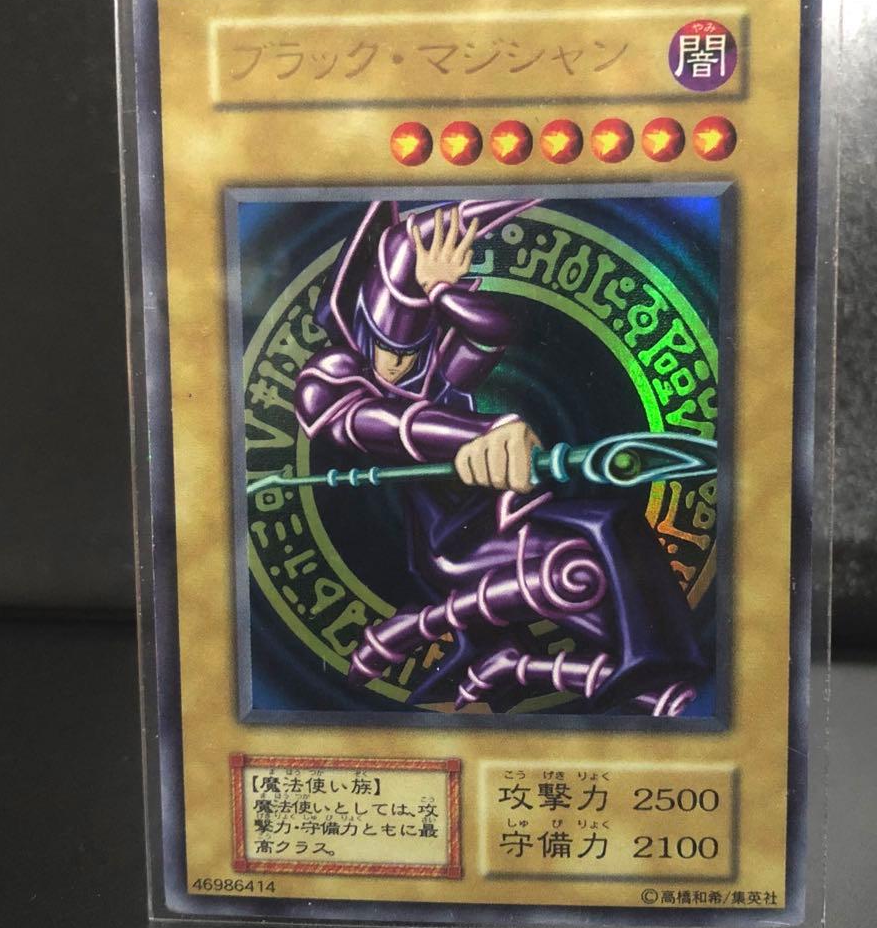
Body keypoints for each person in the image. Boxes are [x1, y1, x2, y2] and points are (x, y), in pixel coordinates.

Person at [295, 200, 705, 715]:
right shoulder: (330, 378)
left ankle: (614, 669)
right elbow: (373, 422)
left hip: (498, 516)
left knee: (605, 528)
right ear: (360, 329)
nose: (399, 368)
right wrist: (476, 433)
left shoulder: (433, 370)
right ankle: (460, 640)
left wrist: (441, 292)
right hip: (450, 542)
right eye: (387, 350)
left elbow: (490, 331)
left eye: (412, 353)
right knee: (575, 566)